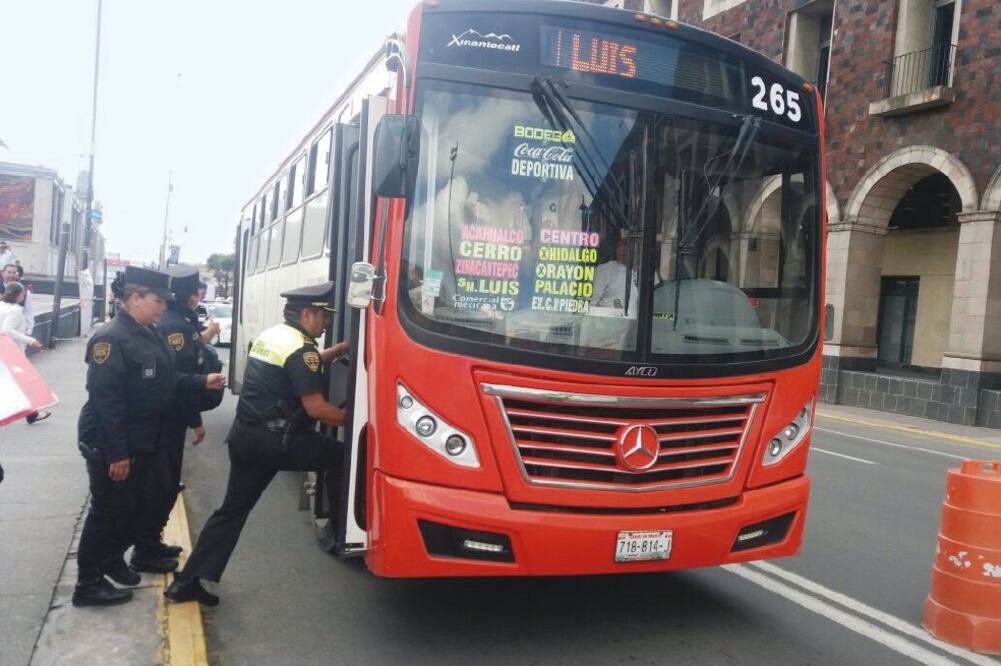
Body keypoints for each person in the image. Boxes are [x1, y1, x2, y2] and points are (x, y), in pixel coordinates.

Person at [165, 281, 348, 606]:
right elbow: (316, 409)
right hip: (279, 442)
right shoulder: (302, 348)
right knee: (341, 457)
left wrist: (339, 350)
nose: (326, 324)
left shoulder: (274, 336)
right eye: (324, 317)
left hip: (245, 438)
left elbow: (298, 365)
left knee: (232, 510)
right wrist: (357, 422)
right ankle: (340, 532)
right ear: (308, 314)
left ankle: (186, 582)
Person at [73, 266, 226, 607]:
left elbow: (168, 379)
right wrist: (116, 453)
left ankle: (111, 560)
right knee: (107, 511)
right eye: (158, 300)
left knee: (134, 506)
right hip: (112, 439)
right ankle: (87, 583)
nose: (163, 307)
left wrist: (202, 381)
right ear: (134, 298)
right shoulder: (111, 338)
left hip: (143, 437)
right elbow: (106, 401)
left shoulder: (149, 332)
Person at [153, 265, 222, 552]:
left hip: (172, 415)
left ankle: (150, 543)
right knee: (163, 484)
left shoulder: (181, 320)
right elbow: (178, 379)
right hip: (169, 416)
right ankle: (148, 546)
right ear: (191, 295)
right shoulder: (177, 325)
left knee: (166, 481)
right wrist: (196, 416)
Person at [0, 280, 49, 423]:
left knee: (16, 384)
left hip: (5, 352)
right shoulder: (15, 311)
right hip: (12, 353)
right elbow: (7, 331)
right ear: (19, 295)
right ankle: (32, 413)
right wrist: (30, 340)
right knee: (21, 383)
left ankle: (32, 413)